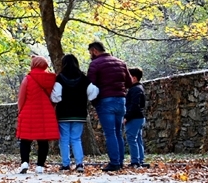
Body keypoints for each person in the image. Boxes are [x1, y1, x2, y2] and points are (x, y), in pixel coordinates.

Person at [86, 41, 130, 172]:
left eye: (90, 53)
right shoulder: (121, 62)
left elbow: (90, 84)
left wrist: (94, 101)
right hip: (121, 100)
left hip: (105, 100)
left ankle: (114, 162)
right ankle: (120, 161)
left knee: (110, 133)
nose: (90, 56)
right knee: (118, 132)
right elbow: (128, 81)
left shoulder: (95, 64)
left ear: (94, 50)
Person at [15, 55, 59, 173]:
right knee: (43, 140)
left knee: (25, 139)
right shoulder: (51, 78)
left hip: (28, 112)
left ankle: (25, 163)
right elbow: (54, 96)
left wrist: (20, 110)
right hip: (45, 112)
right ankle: (40, 166)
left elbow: (21, 98)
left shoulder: (28, 79)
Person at [54, 54, 94, 171]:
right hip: (79, 113)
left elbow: (56, 96)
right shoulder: (83, 78)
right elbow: (93, 92)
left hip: (63, 113)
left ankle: (65, 164)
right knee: (76, 138)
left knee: (64, 139)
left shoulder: (60, 78)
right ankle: (79, 164)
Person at [125, 68, 147, 168]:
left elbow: (134, 105)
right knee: (138, 139)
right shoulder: (139, 88)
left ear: (134, 78)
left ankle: (135, 161)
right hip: (139, 117)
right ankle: (140, 160)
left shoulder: (135, 90)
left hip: (134, 118)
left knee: (132, 139)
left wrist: (127, 117)